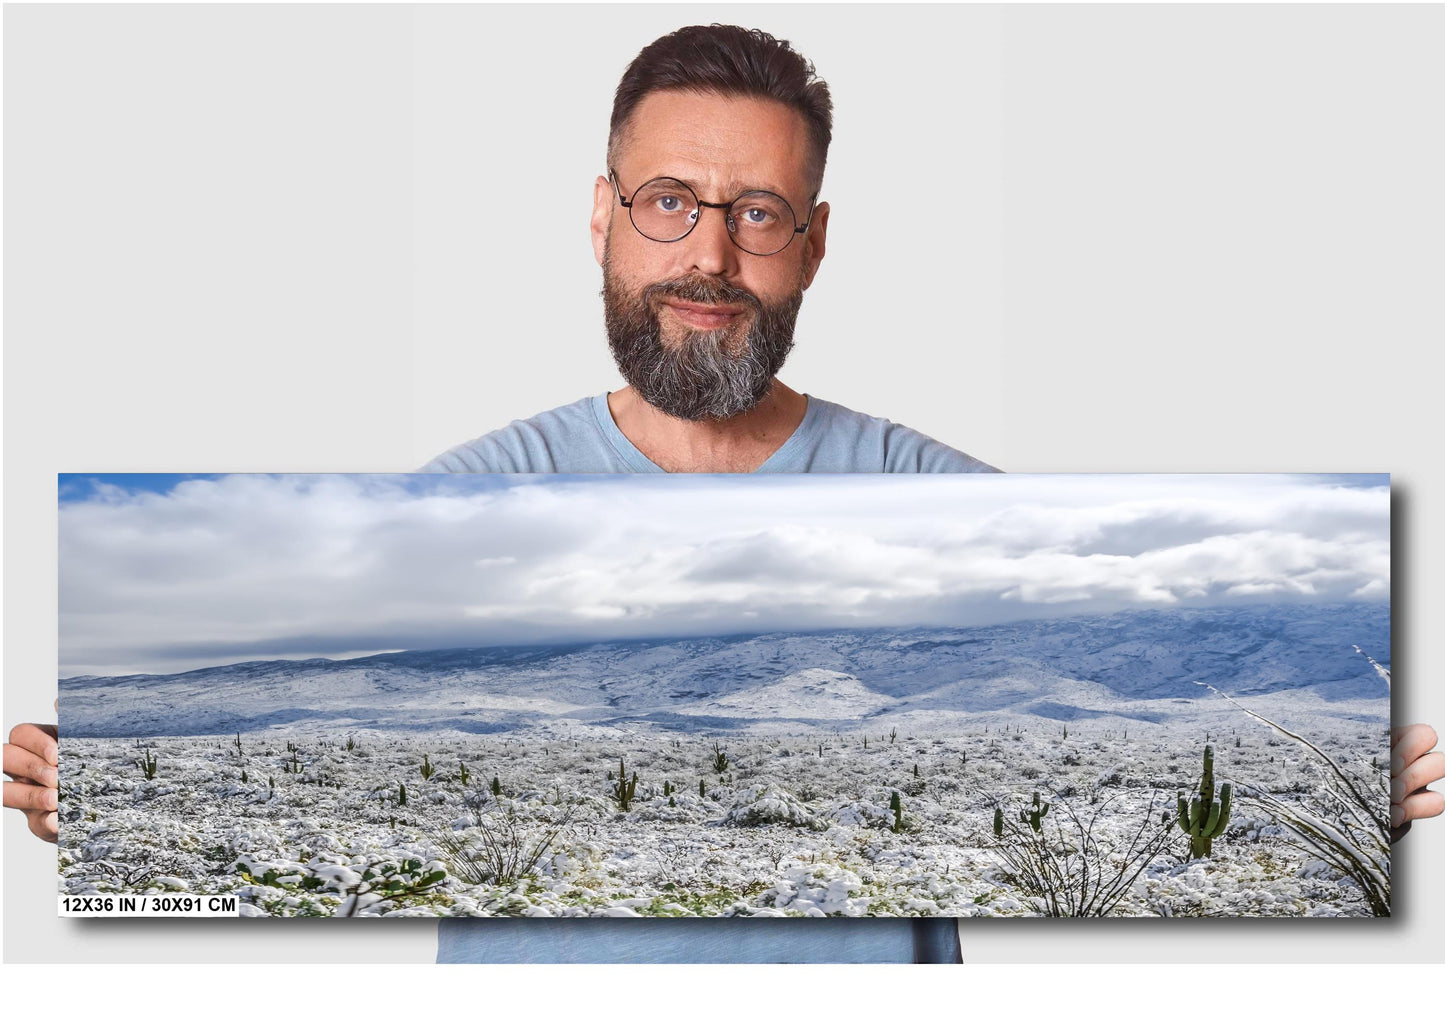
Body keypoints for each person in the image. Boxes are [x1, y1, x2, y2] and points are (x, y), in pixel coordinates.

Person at [8, 23, 1443, 963]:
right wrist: (124, 784)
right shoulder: (444, 507)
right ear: (602, 216)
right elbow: (266, 730)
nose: (709, 254)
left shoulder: (943, 502)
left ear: (810, 244)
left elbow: (1162, 786)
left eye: (755, 213)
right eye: (669, 202)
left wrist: (1330, 780)